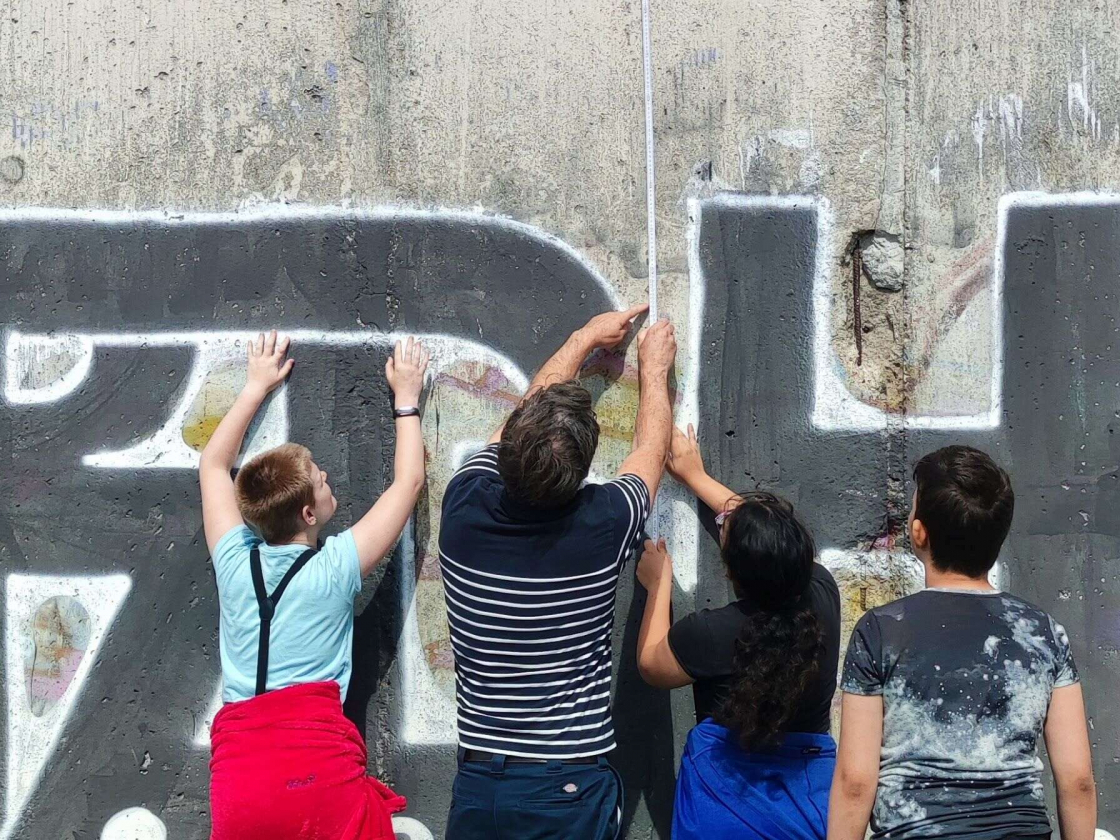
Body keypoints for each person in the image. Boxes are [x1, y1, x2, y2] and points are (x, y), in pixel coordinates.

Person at [438, 303, 675, 840]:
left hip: (480, 785)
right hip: (565, 789)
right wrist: (654, 370)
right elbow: (650, 450)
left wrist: (584, 337)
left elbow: (519, 418)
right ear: (582, 470)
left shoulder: (464, 504)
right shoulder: (605, 523)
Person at [201, 331, 429, 840]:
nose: (328, 480)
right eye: (322, 482)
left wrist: (255, 386)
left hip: (240, 785)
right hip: (315, 774)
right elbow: (408, 484)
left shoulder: (234, 562)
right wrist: (407, 400)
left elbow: (213, 465)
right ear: (309, 514)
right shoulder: (336, 567)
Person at [829, 445, 1097, 840]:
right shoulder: (1043, 632)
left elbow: (855, 781)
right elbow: (1077, 780)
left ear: (918, 534)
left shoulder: (880, 631)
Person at [634, 424, 841, 840]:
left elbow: (652, 664)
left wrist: (660, 585)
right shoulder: (822, 592)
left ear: (731, 573)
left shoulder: (711, 634)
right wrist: (699, 478)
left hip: (724, 808)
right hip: (805, 800)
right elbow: (767, 538)